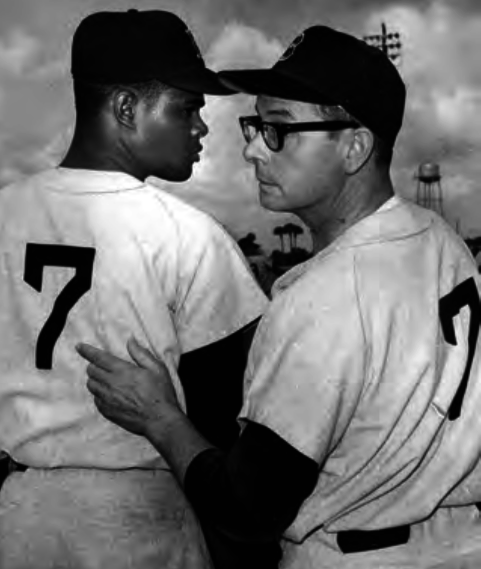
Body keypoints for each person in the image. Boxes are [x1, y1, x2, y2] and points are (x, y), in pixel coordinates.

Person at [77, 25, 481, 569]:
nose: (250, 148)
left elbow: (249, 509)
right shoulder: (437, 236)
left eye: (278, 130)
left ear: (354, 147)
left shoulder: (328, 295)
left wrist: (159, 417)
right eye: (255, 124)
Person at [0, 9, 268, 569]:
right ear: (125, 108)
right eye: (187, 107)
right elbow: (235, 418)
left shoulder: (5, 213)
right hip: (144, 516)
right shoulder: (187, 233)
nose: (200, 126)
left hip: (20, 515)